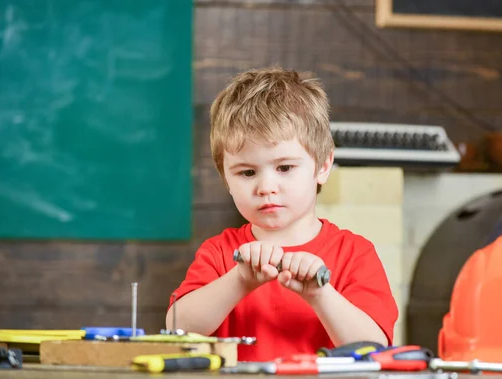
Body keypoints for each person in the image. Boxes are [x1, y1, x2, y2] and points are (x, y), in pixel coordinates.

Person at [166, 67, 398, 362]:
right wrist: (240, 281)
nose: (266, 187)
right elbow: (177, 327)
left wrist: (320, 295)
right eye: (247, 172)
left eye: (285, 168)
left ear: (323, 166)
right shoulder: (220, 253)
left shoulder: (354, 254)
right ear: (226, 178)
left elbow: (374, 347)